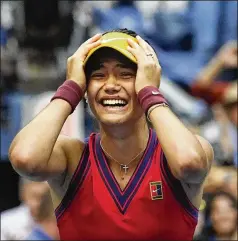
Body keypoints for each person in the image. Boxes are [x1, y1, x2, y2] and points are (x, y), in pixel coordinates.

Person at [9, 28, 214, 240]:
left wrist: (151, 95)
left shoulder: (178, 154)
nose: (111, 86)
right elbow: (25, 159)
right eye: (98, 76)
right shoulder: (72, 157)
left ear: (148, 81)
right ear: (85, 89)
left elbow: (190, 163)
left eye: (126, 74)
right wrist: (70, 88)